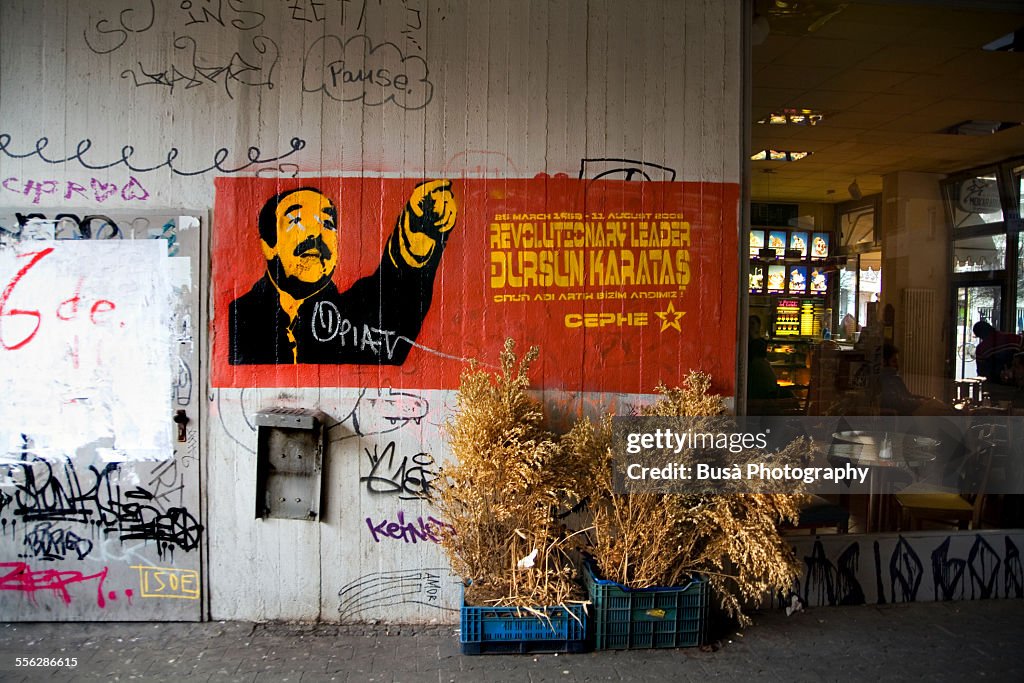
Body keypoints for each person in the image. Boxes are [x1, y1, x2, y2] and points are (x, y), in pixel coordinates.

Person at [229, 181, 457, 365]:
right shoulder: (240, 319)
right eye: (297, 220)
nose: (315, 233)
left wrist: (418, 234)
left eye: (327, 223)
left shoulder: (347, 317)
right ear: (269, 246)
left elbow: (392, 296)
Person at [880, 343, 952, 416]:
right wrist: (919, 402)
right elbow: (895, 402)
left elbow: (908, 396)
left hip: (912, 409)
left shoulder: (894, 378)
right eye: (894, 361)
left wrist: (925, 399)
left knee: (935, 404)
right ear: (884, 362)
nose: (897, 365)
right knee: (939, 409)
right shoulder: (885, 380)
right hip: (909, 413)